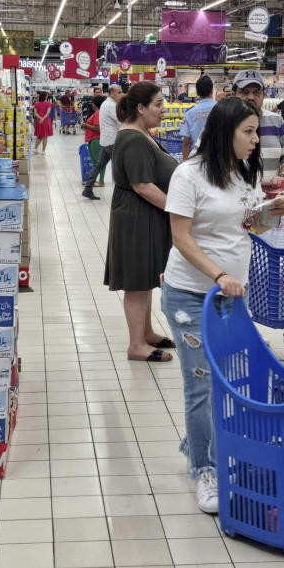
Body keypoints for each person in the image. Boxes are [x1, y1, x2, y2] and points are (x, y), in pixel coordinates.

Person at [162, 97, 284, 513]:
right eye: (249, 132)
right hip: (190, 296)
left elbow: (248, 226)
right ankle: (205, 469)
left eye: (256, 131)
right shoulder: (189, 175)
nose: (257, 140)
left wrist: (275, 213)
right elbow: (181, 237)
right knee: (201, 384)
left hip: (231, 295)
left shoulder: (242, 174)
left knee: (228, 381)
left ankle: (200, 443)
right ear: (225, 132)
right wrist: (218, 274)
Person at [104, 81, 179, 363]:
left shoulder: (141, 134)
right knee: (136, 281)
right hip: (136, 215)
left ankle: (146, 333)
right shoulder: (133, 138)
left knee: (145, 277)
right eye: (158, 104)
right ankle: (136, 344)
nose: (163, 110)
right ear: (140, 108)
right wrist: (176, 209)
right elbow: (143, 185)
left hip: (144, 215)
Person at [232, 70, 284, 184]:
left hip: (269, 197)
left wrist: (283, 177)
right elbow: (201, 159)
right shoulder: (220, 121)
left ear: (264, 94)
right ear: (234, 95)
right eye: (245, 92)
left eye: (256, 92)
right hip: (232, 198)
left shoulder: (276, 121)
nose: (251, 97)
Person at [82, 84, 123, 200]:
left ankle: (88, 189)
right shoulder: (110, 105)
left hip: (106, 140)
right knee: (120, 166)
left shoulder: (107, 104)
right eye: (119, 92)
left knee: (99, 165)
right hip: (112, 141)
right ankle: (122, 194)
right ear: (111, 94)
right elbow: (121, 121)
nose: (121, 94)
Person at [180, 75, 216, 158]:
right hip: (218, 159)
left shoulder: (189, 113)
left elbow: (186, 142)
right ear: (212, 90)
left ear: (197, 93)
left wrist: (184, 163)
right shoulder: (221, 109)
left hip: (196, 158)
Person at [83, 95, 106, 186]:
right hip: (92, 139)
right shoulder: (96, 113)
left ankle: (101, 181)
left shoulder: (98, 113)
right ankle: (95, 180)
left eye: (92, 102)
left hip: (96, 139)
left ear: (94, 104)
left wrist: (86, 126)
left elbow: (98, 128)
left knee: (98, 162)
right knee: (95, 162)